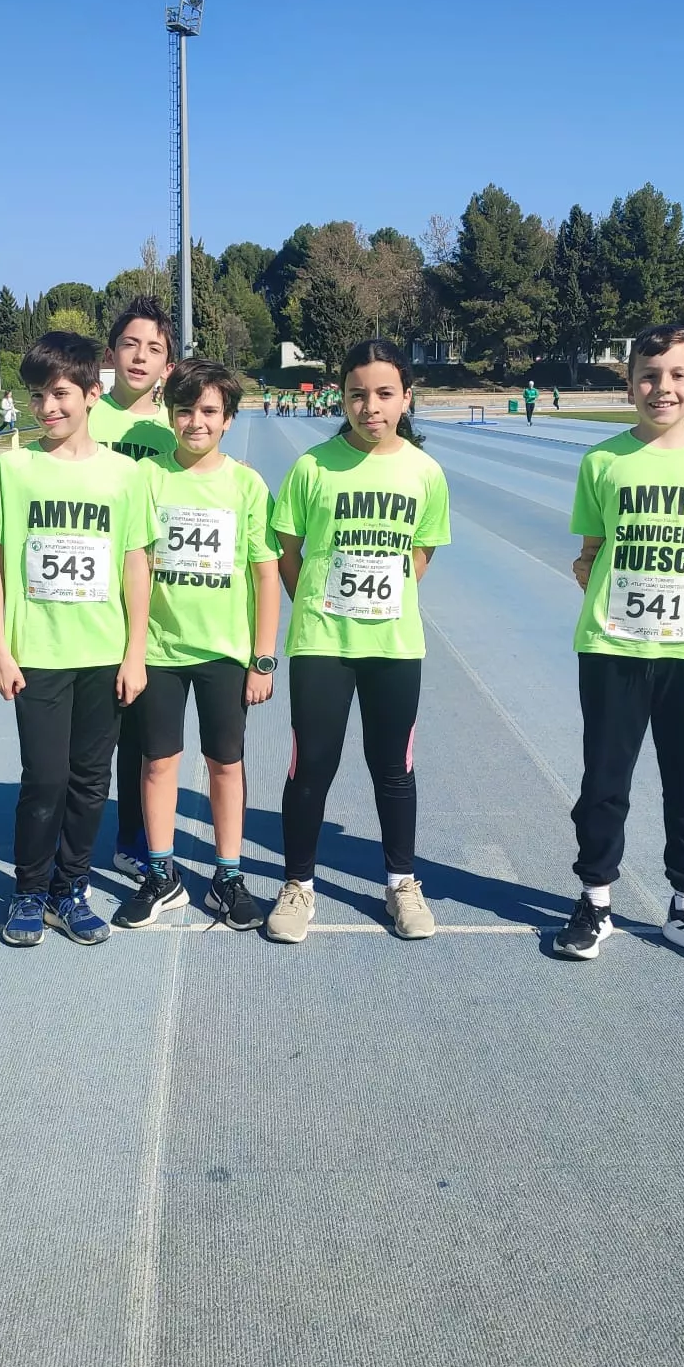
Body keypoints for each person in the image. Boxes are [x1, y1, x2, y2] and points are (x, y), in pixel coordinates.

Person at [554, 324, 684, 969]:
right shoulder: (603, 462)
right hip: (612, 646)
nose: (660, 388)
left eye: (675, 376)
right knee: (605, 779)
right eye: (647, 375)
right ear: (628, 381)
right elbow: (587, 553)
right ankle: (595, 901)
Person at [0, 331, 156, 948]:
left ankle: (69, 889)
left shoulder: (125, 476)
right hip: (37, 656)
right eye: (37, 396)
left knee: (89, 781)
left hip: (103, 655)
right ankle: (29, 887)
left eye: (61, 394)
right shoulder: (13, 470)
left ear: (91, 397)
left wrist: (134, 653)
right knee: (43, 778)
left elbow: (135, 565)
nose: (47, 407)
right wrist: (0, 648)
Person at [264, 339, 450, 945]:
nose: (370, 406)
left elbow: (419, 554)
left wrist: (378, 603)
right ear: (341, 398)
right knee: (310, 766)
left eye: (384, 394)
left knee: (393, 766)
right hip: (321, 642)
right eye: (357, 394)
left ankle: (401, 882)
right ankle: (298, 886)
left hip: (394, 646)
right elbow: (287, 553)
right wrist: (321, 605)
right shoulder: (313, 468)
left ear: (405, 398)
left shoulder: (424, 473)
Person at [116, 357, 281, 932]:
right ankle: (160, 875)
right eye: (185, 410)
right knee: (157, 763)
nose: (195, 422)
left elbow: (265, 574)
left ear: (228, 418)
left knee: (225, 765)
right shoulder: (147, 478)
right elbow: (134, 561)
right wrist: (134, 651)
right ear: (170, 414)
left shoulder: (246, 484)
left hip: (226, 653)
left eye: (209, 411)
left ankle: (227, 876)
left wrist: (262, 658)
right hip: (160, 650)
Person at [87, 295, 178, 877]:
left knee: (147, 728)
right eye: (130, 344)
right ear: (111, 353)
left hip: (155, 591)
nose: (140, 357)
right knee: (101, 731)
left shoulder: (178, 424)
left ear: (168, 366)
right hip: (91, 593)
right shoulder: (85, 417)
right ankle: (89, 840)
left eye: (154, 349)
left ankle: (137, 836)